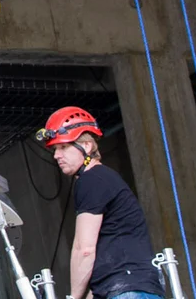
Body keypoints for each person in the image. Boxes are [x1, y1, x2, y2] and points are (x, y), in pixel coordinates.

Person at [37, 107, 164, 299]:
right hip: (130, 287)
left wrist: (73, 297)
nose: (56, 156)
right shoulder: (103, 179)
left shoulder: (92, 180)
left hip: (128, 291)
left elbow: (84, 249)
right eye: (55, 149)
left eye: (63, 147)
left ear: (87, 146)